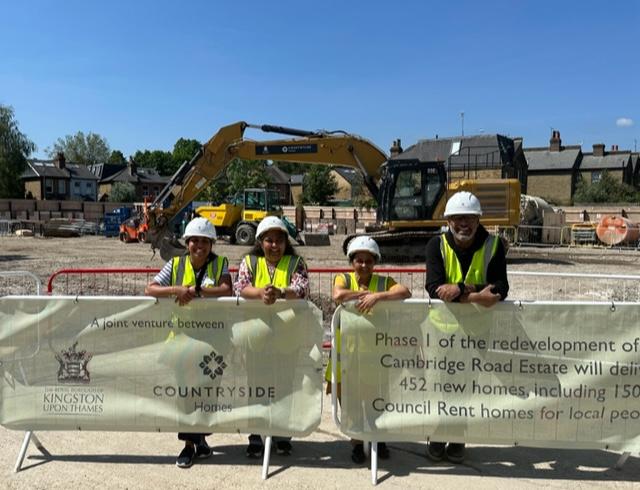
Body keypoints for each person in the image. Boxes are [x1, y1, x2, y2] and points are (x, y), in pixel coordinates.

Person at [424, 191, 509, 464]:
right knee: (440, 384)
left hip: (476, 331)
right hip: (442, 332)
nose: (464, 223)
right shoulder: (436, 245)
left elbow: (500, 288)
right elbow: (434, 287)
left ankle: (458, 435)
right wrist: (476, 296)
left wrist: (462, 289)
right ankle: (439, 432)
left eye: (470, 218)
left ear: (478, 220)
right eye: (458, 218)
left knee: (466, 386)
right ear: (448, 220)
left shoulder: (494, 245)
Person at [145, 216, 232, 468]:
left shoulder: (220, 264)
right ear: (187, 242)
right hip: (182, 338)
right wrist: (175, 290)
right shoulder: (174, 264)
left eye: (205, 241)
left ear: (212, 244)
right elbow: (150, 289)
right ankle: (188, 445)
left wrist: (196, 291)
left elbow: (227, 290)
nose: (200, 246)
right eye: (195, 241)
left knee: (208, 391)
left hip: (213, 339)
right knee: (186, 391)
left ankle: (201, 438)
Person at [326, 235, 411, 464]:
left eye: (369, 261)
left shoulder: (384, 282)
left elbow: (405, 292)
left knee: (377, 398)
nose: (364, 265)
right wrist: (364, 295)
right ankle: (356, 442)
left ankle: (377, 438)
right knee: (350, 401)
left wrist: (379, 297)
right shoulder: (343, 278)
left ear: (375, 262)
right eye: (359, 260)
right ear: (352, 261)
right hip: (347, 354)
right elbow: (338, 295)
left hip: (376, 354)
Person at [233, 215, 309, 458]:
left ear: (286, 242)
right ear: (260, 242)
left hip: (287, 336)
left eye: (279, 240)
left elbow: (302, 288)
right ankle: (256, 434)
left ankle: (281, 434)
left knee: (284, 384)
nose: (274, 245)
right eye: (269, 240)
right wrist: (260, 293)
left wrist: (281, 292)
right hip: (256, 336)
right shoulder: (250, 262)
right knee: (256, 384)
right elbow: (241, 287)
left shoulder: (296, 262)